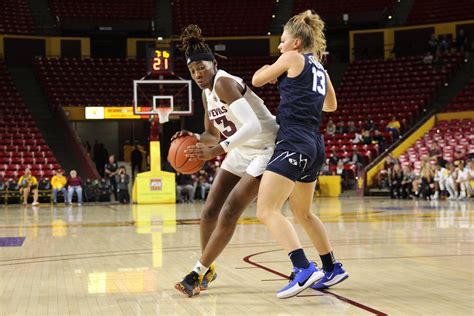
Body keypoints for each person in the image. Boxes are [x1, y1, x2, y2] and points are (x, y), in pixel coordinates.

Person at [174, 24, 278, 297]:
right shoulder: (205, 92)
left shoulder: (223, 82)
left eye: (201, 67)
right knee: (209, 212)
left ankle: (196, 273)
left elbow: (254, 126)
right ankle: (208, 268)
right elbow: (211, 133)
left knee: (231, 209)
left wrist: (216, 151)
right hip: (242, 149)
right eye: (192, 70)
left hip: (266, 147)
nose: (197, 74)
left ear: (214, 63)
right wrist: (195, 136)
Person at [252, 10, 348, 298]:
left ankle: (303, 268)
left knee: (266, 210)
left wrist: (276, 69)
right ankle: (331, 267)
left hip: (293, 140)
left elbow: (256, 80)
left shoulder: (292, 58)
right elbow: (330, 105)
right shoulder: (319, 67)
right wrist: (295, 87)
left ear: (296, 43)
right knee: (303, 212)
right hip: (314, 143)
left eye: (282, 41)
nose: (279, 46)